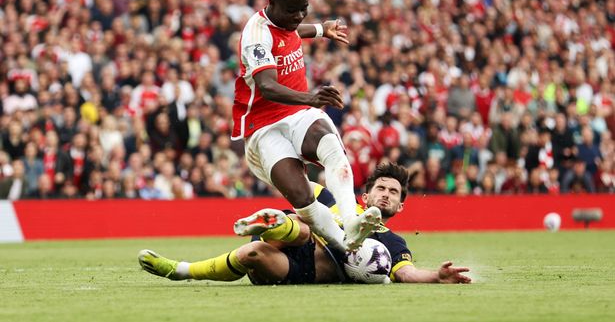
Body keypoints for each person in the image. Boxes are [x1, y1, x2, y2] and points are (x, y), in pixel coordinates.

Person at [230, 0, 380, 252]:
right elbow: (267, 87)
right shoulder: (256, 36)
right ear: (271, 3)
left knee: (330, 143)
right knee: (301, 196)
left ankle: (351, 222)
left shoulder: (287, 20)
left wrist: (322, 29)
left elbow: (293, 28)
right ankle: (345, 248)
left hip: (297, 113)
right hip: (263, 126)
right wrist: (311, 98)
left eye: (304, 8)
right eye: (292, 10)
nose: (299, 16)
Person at [138, 163, 471, 285]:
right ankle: (271, 222)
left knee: (253, 252)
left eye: (392, 192)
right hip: (302, 237)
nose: (385, 195)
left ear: (400, 205)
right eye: (380, 189)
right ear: (365, 196)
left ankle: (182, 269)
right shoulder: (333, 200)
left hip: (306, 272)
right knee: (308, 221)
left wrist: (436, 277)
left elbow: (405, 273)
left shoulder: (393, 242)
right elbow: (296, 181)